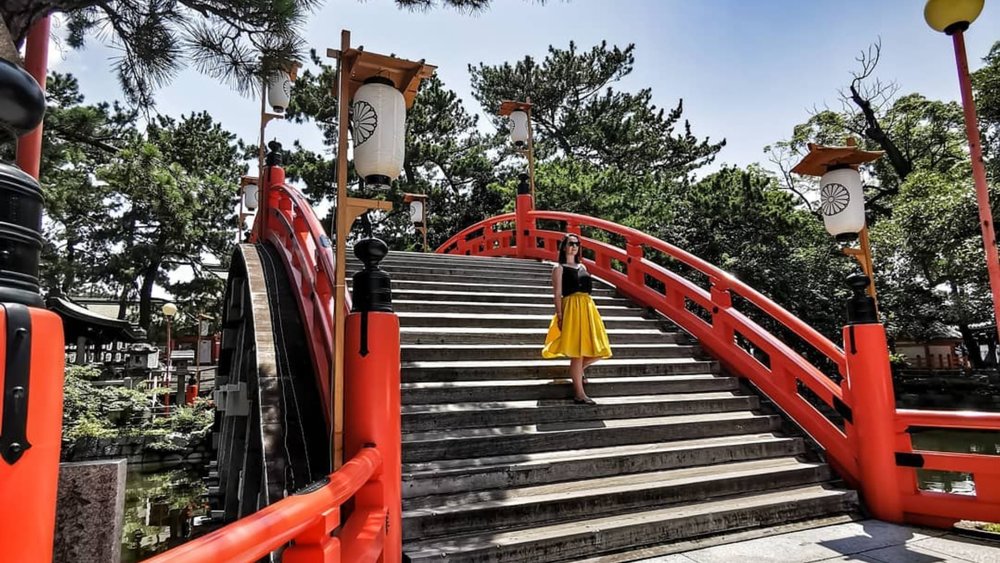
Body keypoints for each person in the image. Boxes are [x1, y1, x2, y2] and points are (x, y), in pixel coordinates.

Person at [542, 233, 613, 404]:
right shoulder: (558, 268)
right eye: (571, 243)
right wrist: (560, 315)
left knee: (601, 349)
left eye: (577, 244)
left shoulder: (583, 267)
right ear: (564, 246)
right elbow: (557, 294)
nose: (574, 246)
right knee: (578, 352)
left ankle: (578, 371)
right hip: (571, 308)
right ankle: (580, 393)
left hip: (587, 307)